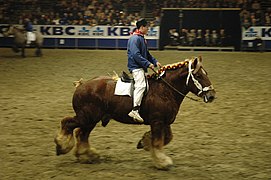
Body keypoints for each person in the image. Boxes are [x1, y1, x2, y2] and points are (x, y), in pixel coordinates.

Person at [127, 18, 161, 123]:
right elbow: (136, 55)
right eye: (147, 27)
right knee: (141, 85)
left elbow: (147, 54)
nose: (148, 29)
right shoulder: (135, 39)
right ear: (142, 27)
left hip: (140, 66)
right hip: (136, 67)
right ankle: (135, 109)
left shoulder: (140, 38)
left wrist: (155, 62)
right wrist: (148, 64)